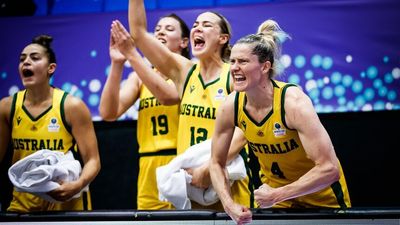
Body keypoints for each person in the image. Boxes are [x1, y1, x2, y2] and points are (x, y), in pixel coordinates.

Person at [209, 19, 351, 224]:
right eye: (232, 61)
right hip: (276, 202)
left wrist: (278, 194)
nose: (234, 68)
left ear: (265, 66)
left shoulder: (293, 103)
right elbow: (216, 162)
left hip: (322, 199)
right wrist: (229, 204)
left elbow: (329, 169)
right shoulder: (231, 105)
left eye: (243, 62)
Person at [128, 0, 254, 210]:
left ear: (223, 38)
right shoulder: (185, 72)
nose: (197, 27)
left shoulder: (233, 76)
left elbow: (244, 133)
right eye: (195, 24)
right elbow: (139, 34)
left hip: (228, 183)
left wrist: (208, 169)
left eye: (206, 25)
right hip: (190, 183)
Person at [0, 35, 101, 212]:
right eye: (22, 59)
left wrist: (78, 185)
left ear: (51, 68)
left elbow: (93, 161)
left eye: (35, 58)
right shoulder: (7, 107)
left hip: (66, 202)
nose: (26, 62)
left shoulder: (72, 106)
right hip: (22, 204)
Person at [99, 15, 189, 210]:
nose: (161, 31)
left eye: (169, 29)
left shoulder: (189, 72)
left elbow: (167, 96)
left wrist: (133, 54)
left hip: (180, 162)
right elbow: (108, 113)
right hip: (147, 164)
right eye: (157, 28)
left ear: (184, 42)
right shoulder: (138, 78)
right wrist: (117, 63)